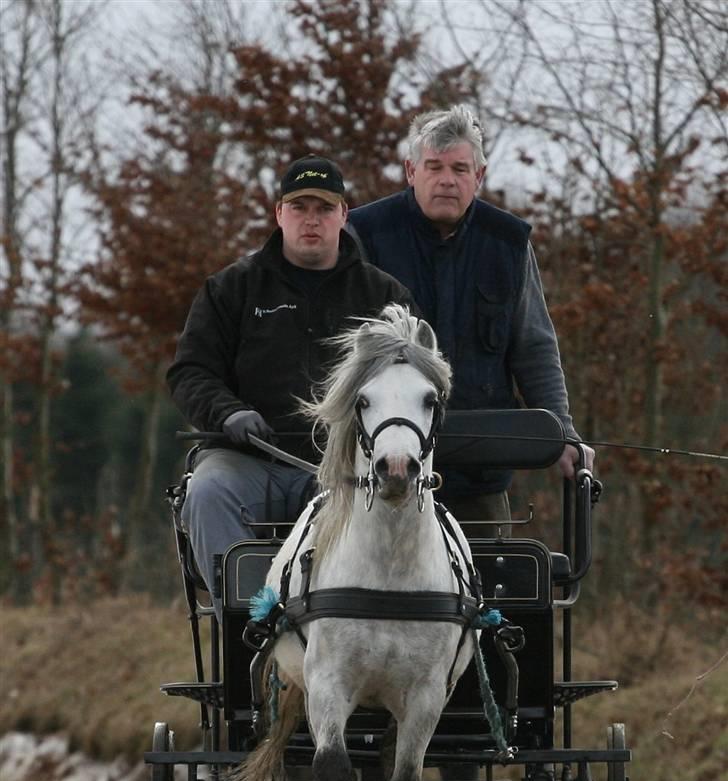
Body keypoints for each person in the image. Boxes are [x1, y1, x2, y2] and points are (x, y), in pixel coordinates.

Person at [168, 155, 415, 617]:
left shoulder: (385, 298)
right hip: (243, 460)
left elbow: (410, 380)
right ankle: (246, 632)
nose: (312, 220)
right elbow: (190, 372)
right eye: (299, 207)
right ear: (278, 213)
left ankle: (332, 636)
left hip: (340, 465)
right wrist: (227, 413)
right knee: (206, 491)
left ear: (344, 216)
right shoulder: (230, 289)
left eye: (324, 209)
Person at [347, 104, 594, 527]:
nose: (447, 180)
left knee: (496, 590)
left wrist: (563, 434)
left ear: (478, 177)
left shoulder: (508, 242)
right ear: (411, 171)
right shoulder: (364, 234)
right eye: (435, 167)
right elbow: (342, 353)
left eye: (460, 169)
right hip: (383, 470)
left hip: (480, 473)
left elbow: (534, 346)